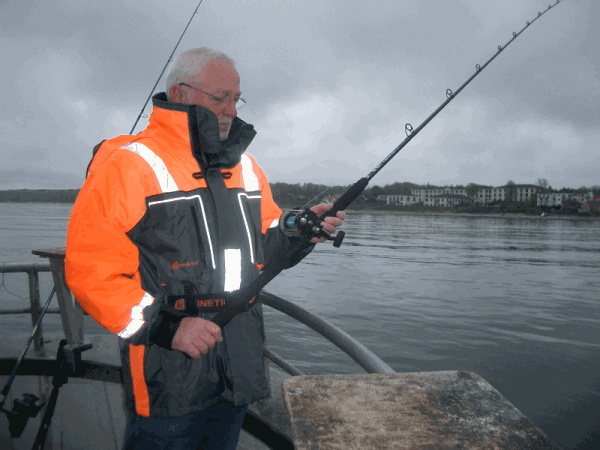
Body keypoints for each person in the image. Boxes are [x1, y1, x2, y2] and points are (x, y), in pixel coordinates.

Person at [65, 47, 345, 449]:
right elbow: (92, 271)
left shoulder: (247, 167)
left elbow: (264, 247)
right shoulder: (128, 164)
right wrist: (168, 328)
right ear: (180, 94)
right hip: (169, 375)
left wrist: (300, 229)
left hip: (239, 367)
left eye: (236, 98)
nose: (230, 109)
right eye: (220, 97)